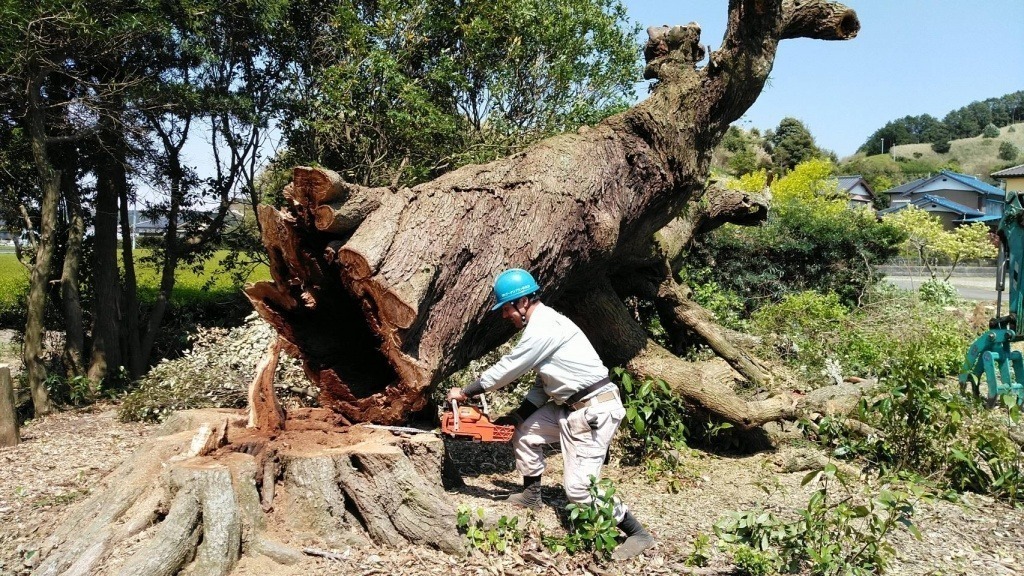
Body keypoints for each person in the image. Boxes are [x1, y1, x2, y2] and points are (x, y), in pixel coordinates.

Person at [446, 268, 655, 561]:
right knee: (525, 432)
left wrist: (466, 391)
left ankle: (637, 532)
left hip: (593, 411)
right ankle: (531, 494)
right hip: (569, 408)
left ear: (523, 302)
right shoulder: (544, 326)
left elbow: (509, 367)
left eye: (506, 308)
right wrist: (518, 416)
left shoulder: (544, 326)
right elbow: (543, 386)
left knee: (580, 491)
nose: (505, 315)